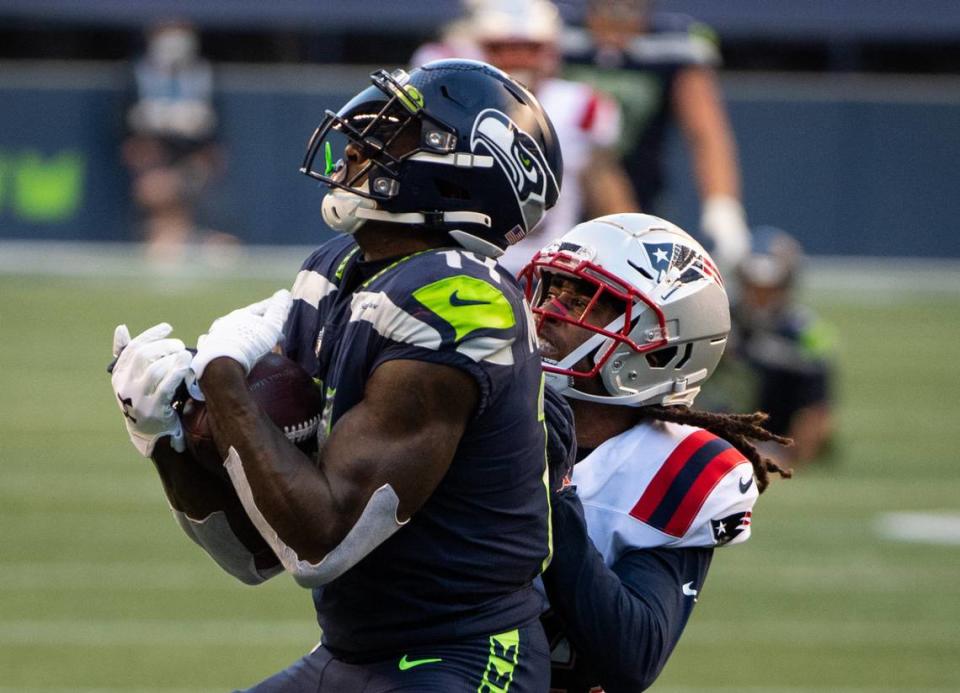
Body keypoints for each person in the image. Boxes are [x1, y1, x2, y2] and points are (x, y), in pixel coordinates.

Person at [108, 60, 564, 691]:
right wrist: (164, 439)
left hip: (462, 654)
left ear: (467, 174)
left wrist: (222, 377)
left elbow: (324, 543)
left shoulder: (460, 300)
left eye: (398, 133)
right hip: (351, 654)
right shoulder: (337, 266)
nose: (357, 142)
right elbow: (252, 553)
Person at [519, 213, 791, 691]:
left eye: (586, 300)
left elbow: (631, 657)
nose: (550, 311)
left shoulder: (680, 470)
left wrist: (556, 493)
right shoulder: (481, 406)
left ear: (660, 349)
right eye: (553, 288)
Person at [412, 0, 639, 275]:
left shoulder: (579, 105)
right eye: (501, 48)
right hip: (463, 262)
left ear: (552, 51)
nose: (516, 58)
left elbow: (603, 183)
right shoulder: (450, 103)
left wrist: (630, 243)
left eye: (530, 48)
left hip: (547, 269)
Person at [563, 0, 750, 270]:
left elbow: (705, 134)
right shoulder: (555, 34)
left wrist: (723, 207)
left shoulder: (675, 43)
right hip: (561, 197)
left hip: (643, 196)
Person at [121, 20, 235, 261]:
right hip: (152, 166)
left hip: (193, 168)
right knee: (156, 188)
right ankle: (165, 238)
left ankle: (197, 239)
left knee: (186, 186)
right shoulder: (137, 74)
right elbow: (127, 138)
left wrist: (187, 173)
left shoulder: (205, 74)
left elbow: (214, 144)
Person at [731, 226, 836, 466]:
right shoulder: (718, 320)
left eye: (769, 287)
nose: (760, 295)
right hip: (721, 426)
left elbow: (817, 408)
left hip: (779, 434)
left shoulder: (805, 331)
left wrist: (790, 457)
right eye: (754, 285)